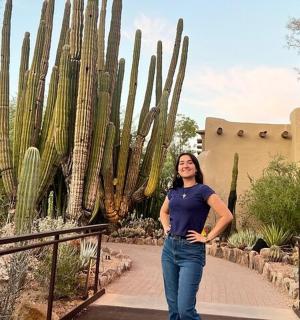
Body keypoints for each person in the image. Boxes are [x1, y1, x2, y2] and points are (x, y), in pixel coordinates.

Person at [160, 152, 233, 320]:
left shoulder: (203, 190)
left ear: (196, 168)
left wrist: (207, 237)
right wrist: (166, 227)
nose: (185, 165)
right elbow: (163, 212)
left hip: (191, 253)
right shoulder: (173, 192)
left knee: (185, 310)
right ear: (178, 169)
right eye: (181, 163)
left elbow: (227, 215)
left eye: (190, 162)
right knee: (174, 309)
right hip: (169, 250)